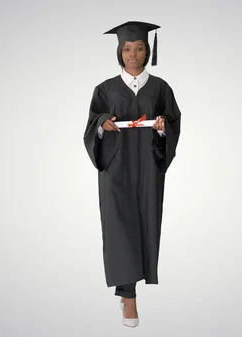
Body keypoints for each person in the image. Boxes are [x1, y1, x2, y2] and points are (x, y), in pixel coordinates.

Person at [83, 21, 182, 327]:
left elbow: (174, 122)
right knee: (118, 226)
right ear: (119, 51)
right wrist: (103, 124)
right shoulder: (105, 88)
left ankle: (134, 286)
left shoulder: (161, 87)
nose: (133, 54)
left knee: (146, 222)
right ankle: (128, 296)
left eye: (139, 48)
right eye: (127, 48)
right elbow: (91, 125)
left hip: (149, 165)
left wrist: (164, 127)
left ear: (147, 50)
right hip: (116, 165)